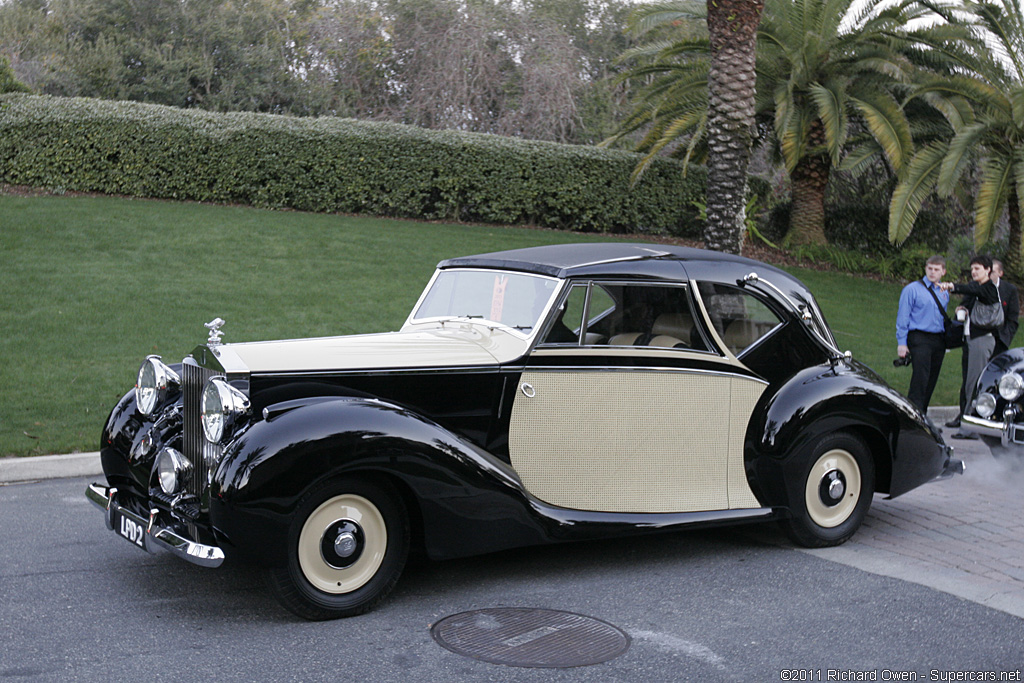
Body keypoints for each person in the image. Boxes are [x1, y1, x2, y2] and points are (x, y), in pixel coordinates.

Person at [940, 255, 1001, 436]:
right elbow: (970, 296)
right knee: (968, 382)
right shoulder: (977, 290)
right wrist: (962, 309)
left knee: (974, 383)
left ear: (988, 270)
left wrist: (952, 286)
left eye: (978, 268)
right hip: (971, 340)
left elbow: (973, 290)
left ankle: (971, 428)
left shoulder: (988, 288)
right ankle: (966, 421)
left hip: (981, 341)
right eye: (972, 269)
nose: (974, 272)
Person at [896, 255, 949, 412]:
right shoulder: (912, 290)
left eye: (936, 269)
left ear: (943, 272)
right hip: (919, 337)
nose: (932, 272)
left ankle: (922, 415)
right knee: (920, 378)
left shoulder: (944, 292)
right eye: (930, 269)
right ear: (925, 269)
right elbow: (903, 317)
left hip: (938, 339)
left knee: (931, 379)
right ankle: (913, 415)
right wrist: (902, 343)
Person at [991, 259, 1019, 355]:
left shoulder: (1010, 290)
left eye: (993, 272)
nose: (990, 274)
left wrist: (1005, 339)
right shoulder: (978, 286)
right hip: (982, 338)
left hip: (1000, 339)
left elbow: (1013, 317)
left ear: (1000, 273)